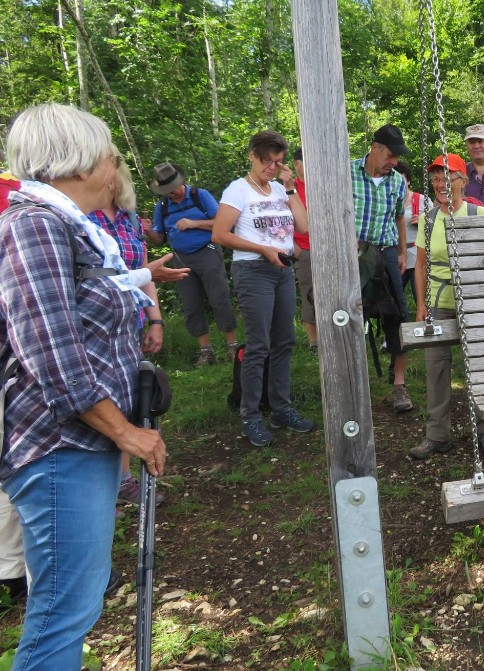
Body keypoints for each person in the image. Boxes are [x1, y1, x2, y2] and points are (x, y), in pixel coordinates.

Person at [0, 102, 168, 671]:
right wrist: (125, 432)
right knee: (63, 609)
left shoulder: (71, 228)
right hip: (55, 446)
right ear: (73, 161)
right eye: (107, 155)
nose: (115, 166)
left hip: (80, 444)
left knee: (76, 599)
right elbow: (51, 352)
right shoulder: (33, 226)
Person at [212, 130, 314, 447]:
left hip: (281, 270)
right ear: (252, 156)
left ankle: (281, 409)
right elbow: (220, 234)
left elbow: (304, 226)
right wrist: (262, 249)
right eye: (267, 161)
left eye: (278, 161)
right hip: (253, 270)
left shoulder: (279, 190)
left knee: (284, 340)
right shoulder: (238, 190)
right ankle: (251, 416)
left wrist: (289, 187)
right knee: (258, 345)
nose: (272, 166)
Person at [410, 154, 484, 459]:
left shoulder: (477, 213)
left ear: (462, 182)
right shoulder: (428, 219)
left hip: (475, 302)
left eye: (447, 178)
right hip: (439, 300)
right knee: (436, 366)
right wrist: (422, 304)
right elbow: (421, 265)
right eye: (436, 179)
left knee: (479, 365)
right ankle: (437, 435)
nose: (441, 184)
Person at [89, 146, 169, 507]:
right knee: (100, 403)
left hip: (131, 326)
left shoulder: (130, 218)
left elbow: (143, 272)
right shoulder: (79, 217)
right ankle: (111, 481)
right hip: (94, 328)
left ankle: (124, 477)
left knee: (129, 399)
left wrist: (155, 319)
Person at [147, 162, 239, 366]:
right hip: (181, 259)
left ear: (182, 183)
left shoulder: (200, 195)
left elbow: (223, 223)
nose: (173, 195)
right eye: (168, 193)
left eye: (175, 190)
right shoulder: (162, 207)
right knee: (191, 305)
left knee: (220, 297)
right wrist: (148, 230)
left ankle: (233, 346)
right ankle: (205, 351)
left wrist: (194, 223)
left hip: (207, 251)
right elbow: (159, 238)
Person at [351, 124, 414, 412]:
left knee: (398, 315)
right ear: (375, 148)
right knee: (349, 313)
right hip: (353, 253)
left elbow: (400, 217)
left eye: (397, 158)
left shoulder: (398, 181)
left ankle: (399, 385)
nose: (394, 162)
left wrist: (401, 251)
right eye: (390, 156)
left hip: (387, 252)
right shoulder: (347, 173)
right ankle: (350, 384)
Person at [291, 147, 318, 353]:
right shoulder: (288, 189)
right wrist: (295, 248)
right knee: (308, 292)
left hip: (327, 248)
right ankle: (313, 342)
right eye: (305, 161)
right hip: (304, 250)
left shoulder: (321, 184)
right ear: (296, 164)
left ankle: (333, 333)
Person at [394, 161, 432, 290]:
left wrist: (423, 223)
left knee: (421, 296)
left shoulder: (422, 200)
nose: (398, 183)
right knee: (394, 298)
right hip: (397, 256)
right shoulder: (388, 201)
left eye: (402, 179)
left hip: (418, 256)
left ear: (408, 181)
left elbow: (437, 224)